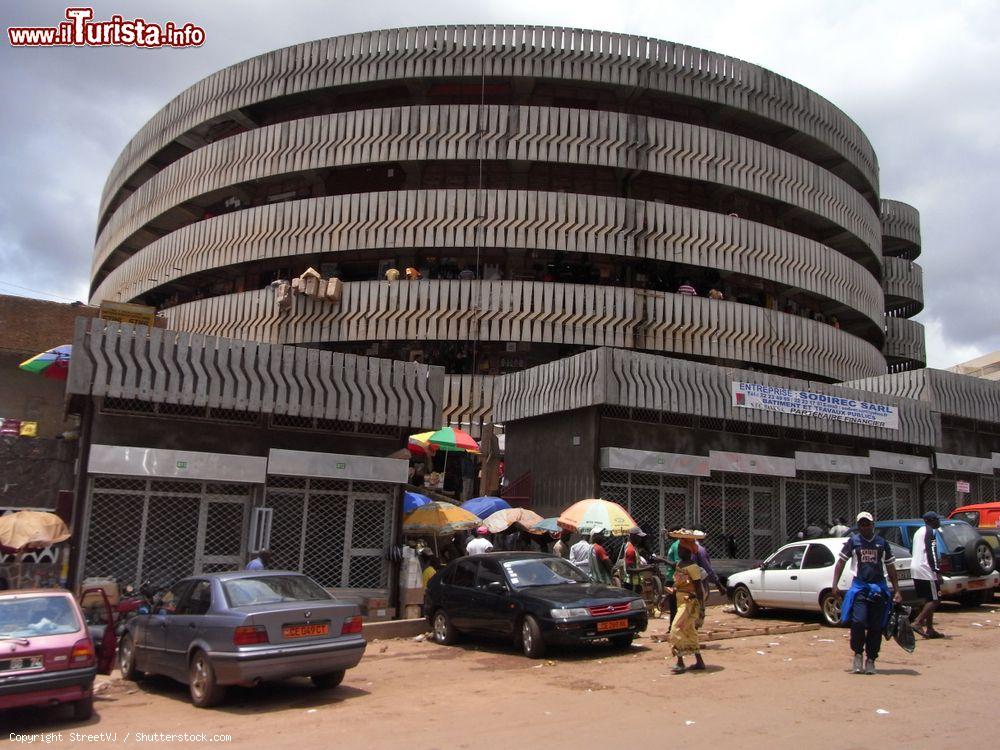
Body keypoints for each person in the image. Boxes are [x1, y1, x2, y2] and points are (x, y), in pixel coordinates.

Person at [831, 511, 903, 675]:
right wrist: (834, 584)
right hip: (860, 589)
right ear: (858, 526)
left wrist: (897, 590)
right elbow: (841, 561)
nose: (864, 527)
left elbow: (890, 566)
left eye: (867, 524)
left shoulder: (881, 543)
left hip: (878, 589)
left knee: (876, 626)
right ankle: (857, 653)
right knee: (859, 621)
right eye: (861, 524)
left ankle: (871, 659)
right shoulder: (853, 542)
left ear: (873, 525)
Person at [667, 540, 706, 673]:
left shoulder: (693, 567)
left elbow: (699, 589)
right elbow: (678, 583)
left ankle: (680, 662)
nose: (679, 552)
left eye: (681, 549)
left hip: (689, 603)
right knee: (689, 631)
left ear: (688, 551)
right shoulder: (680, 564)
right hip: (680, 601)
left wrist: (702, 608)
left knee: (675, 628)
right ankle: (699, 661)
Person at [911, 511, 945, 638]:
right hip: (926, 569)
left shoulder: (918, 531)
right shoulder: (930, 531)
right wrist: (937, 571)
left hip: (916, 568)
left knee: (929, 599)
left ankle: (930, 629)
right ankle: (918, 622)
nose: (939, 522)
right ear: (930, 521)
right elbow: (932, 552)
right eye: (936, 519)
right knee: (936, 599)